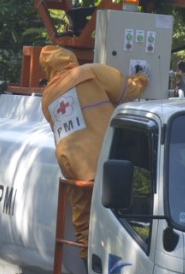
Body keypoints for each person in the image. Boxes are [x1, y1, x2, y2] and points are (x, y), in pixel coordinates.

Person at [40, 45, 148, 254]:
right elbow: (126, 90)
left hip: (72, 165)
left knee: (83, 222)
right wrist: (142, 78)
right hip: (104, 160)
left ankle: (88, 270)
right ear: (70, 59)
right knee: (126, 210)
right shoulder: (88, 72)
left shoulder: (47, 98)